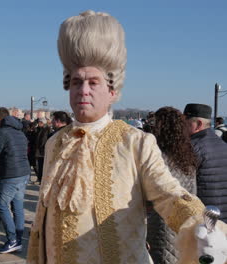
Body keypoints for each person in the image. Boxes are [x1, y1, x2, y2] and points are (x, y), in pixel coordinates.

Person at [27, 11, 227, 264]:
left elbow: (169, 194)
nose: (83, 91)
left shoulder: (136, 141)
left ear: (112, 91)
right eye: (76, 82)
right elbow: (42, 218)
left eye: (93, 82)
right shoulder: (55, 142)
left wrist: (201, 223)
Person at [146, 107, 198, 264]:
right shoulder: (188, 157)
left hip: (159, 223)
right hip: (184, 222)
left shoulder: (156, 158)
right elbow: (193, 192)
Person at [0, 107, 30, 254]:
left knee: (1, 205)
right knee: (17, 206)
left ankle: (12, 240)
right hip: (23, 173)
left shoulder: (2, 132)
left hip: (10, 174)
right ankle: (18, 239)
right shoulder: (20, 132)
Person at [184, 103, 227, 223]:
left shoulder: (192, 148)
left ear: (198, 124)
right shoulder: (223, 145)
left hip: (204, 219)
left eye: (185, 123)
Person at [34, 118, 51, 184]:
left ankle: (41, 179)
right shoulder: (39, 129)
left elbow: (43, 140)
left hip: (42, 151)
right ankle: (40, 178)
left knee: (41, 166)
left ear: (43, 123)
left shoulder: (46, 130)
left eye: (40, 122)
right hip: (39, 151)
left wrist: (41, 147)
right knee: (39, 165)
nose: (38, 123)